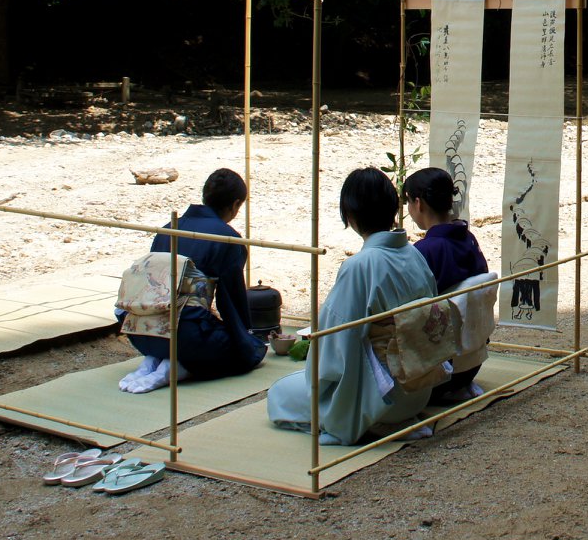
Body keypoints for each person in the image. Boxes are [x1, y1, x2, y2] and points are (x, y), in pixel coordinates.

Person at [266, 167, 440, 444]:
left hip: (383, 398)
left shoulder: (361, 266)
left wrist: (317, 377)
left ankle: (364, 425)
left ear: (349, 216)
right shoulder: (414, 255)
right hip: (420, 388)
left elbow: (336, 341)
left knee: (279, 394)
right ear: (394, 210)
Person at [117, 168, 266, 393]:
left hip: (139, 332)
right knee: (247, 351)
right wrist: (248, 338)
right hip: (183, 337)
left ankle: (156, 359)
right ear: (236, 205)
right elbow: (230, 303)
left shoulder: (167, 229)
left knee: (190, 324)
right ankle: (179, 364)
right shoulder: (227, 238)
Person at [404, 166, 491, 404]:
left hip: (439, 369)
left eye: (409, 203)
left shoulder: (426, 251)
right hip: (471, 362)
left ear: (418, 203)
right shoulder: (468, 239)